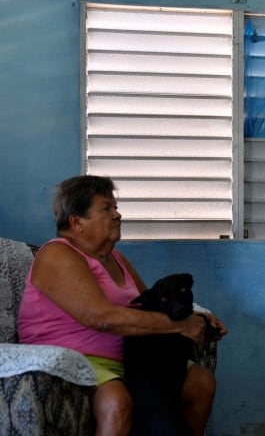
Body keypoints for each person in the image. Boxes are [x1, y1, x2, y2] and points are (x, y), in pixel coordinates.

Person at [17, 175, 228, 436]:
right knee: (116, 402)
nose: (117, 215)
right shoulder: (57, 254)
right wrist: (178, 326)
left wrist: (198, 319)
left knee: (201, 383)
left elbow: (146, 307)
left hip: (129, 356)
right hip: (77, 358)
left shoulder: (116, 258)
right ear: (76, 221)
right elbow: (100, 317)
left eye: (115, 208)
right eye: (106, 208)